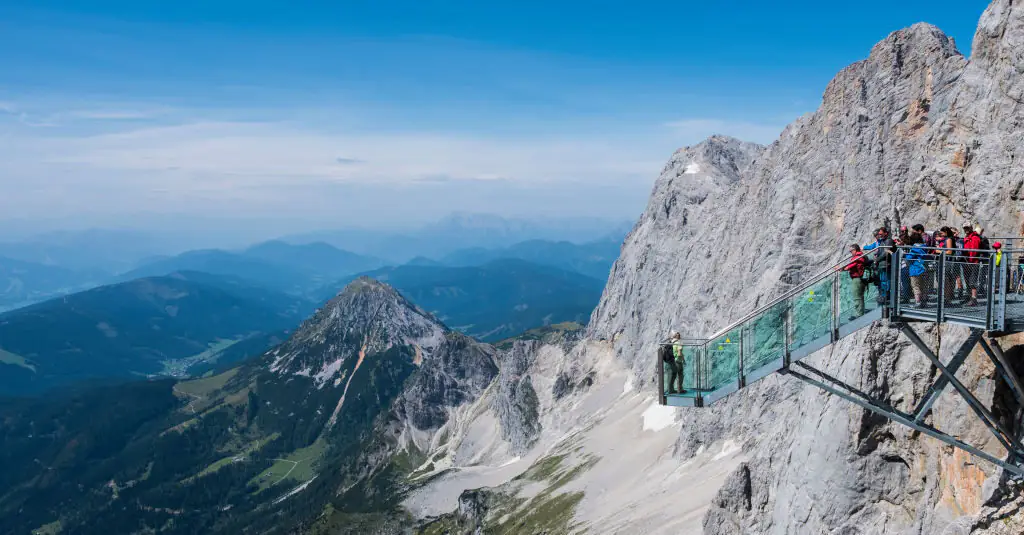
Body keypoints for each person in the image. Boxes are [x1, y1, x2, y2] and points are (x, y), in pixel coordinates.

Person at [863, 227, 895, 304]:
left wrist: (877, 259)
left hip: (886, 264)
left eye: (880, 234)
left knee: (887, 281)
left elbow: (886, 252)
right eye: (878, 234)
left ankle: (887, 296)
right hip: (881, 265)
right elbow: (876, 249)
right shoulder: (881, 241)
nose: (879, 235)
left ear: (885, 233)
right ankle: (883, 296)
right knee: (883, 281)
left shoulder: (888, 241)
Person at [841, 244, 868, 318]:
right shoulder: (862, 256)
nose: (851, 253)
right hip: (861, 279)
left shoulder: (857, 258)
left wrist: (841, 269)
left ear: (855, 250)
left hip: (857, 279)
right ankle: (860, 312)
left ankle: (859, 315)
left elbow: (848, 267)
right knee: (860, 297)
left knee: (857, 297)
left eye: (851, 251)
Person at [905, 234, 929, 307]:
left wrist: (906, 254)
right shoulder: (925, 247)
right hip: (924, 269)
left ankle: (918, 302)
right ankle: (924, 302)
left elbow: (909, 258)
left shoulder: (914, 248)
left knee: (916, 287)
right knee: (924, 286)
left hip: (915, 270)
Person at [963, 225, 982, 306]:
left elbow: (974, 251)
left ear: (971, 228)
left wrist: (970, 261)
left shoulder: (974, 237)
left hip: (972, 262)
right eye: (965, 228)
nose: (966, 229)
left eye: (967, 228)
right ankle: (970, 298)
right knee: (968, 281)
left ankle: (974, 299)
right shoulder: (967, 237)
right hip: (967, 262)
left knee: (972, 281)